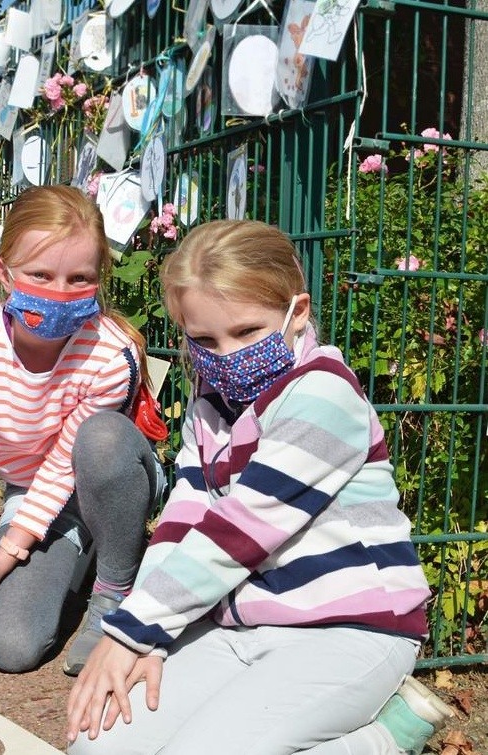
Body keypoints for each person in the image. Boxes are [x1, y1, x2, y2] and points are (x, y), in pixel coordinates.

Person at [66, 219, 453, 754]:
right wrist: (147, 637)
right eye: (203, 339)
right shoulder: (208, 404)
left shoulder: (323, 395)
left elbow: (240, 530)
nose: (225, 356)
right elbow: (185, 516)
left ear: (297, 312)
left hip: (350, 628)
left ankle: (382, 741)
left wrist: (135, 629)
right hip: (242, 625)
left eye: (247, 332)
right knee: (97, 746)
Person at [0, 185, 165, 699]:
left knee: (100, 443)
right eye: (40, 275)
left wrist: (12, 549)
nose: (60, 292)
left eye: (80, 279)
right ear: (4, 273)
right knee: (11, 646)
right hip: (36, 495)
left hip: (107, 471)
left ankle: (114, 586)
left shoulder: (110, 354)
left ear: (99, 281)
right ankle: (84, 547)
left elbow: (66, 465)